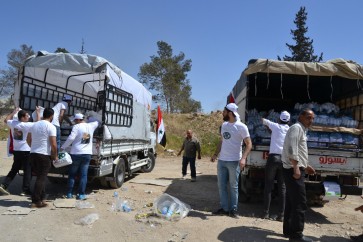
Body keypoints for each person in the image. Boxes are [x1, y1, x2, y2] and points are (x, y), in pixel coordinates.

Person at [210, 103, 252, 218]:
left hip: (234, 161)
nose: (222, 113)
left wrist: (243, 158)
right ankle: (224, 208)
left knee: (233, 186)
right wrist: (215, 154)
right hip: (222, 161)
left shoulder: (241, 127)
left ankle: (233, 210)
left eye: (224, 111)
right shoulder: (224, 125)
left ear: (229, 113)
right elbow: (222, 141)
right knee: (221, 185)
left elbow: (249, 144)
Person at [282, 108, 315, 242]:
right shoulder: (296, 128)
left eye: (312, 118)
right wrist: (296, 167)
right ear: (301, 117)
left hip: (294, 168)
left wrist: (305, 166)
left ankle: (288, 231)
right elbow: (291, 148)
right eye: (308, 117)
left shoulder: (301, 129)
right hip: (292, 170)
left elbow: (298, 150)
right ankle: (296, 235)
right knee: (300, 203)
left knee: (291, 201)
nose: (311, 121)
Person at [0, 107, 38, 196]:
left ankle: (4, 185)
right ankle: (25, 190)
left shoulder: (13, 123)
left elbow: (6, 120)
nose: (28, 117)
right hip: (26, 151)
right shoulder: (26, 125)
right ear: (22, 117)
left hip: (16, 151)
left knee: (14, 169)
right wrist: (38, 113)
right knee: (28, 170)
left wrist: (13, 112)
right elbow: (38, 124)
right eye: (27, 116)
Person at [61, 113, 99, 200]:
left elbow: (71, 138)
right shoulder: (91, 126)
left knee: (72, 174)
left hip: (76, 153)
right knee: (83, 175)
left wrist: (63, 147)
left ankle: (69, 193)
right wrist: (89, 118)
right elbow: (97, 121)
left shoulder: (77, 127)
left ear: (78, 120)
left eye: (75, 120)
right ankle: (81, 194)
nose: (74, 122)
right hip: (87, 154)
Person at [262, 111, 290, 221]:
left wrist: (270, 128)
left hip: (273, 158)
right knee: (282, 188)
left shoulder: (275, 126)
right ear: (288, 120)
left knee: (268, 186)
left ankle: (265, 213)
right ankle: (281, 215)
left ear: (279, 119)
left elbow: (263, 120)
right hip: (284, 159)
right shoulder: (290, 129)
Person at [29, 108, 57, 208]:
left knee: (41, 177)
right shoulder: (51, 126)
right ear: (51, 116)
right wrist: (55, 155)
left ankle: (42, 198)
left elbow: (28, 138)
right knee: (41, 178)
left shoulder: (34, 124)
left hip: (33, 154)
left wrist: (32, 147)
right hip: (44, 155)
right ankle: (36, 201)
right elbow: (53, 144)